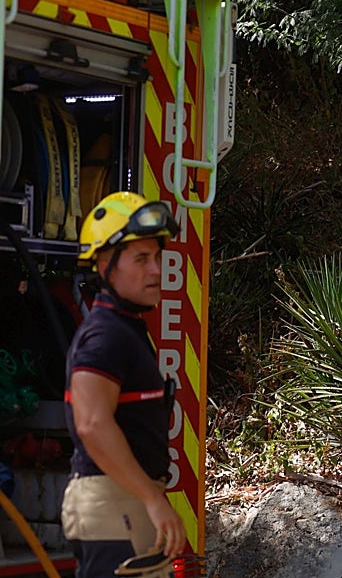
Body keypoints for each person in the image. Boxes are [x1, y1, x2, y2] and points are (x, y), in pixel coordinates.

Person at [61, 191, 186, 577]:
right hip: (114, 506)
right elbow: (92, 424)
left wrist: (150, 497)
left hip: (125, 504)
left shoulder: (126, 329)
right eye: (141, 259)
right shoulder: (105, 336)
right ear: (104, 265)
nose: (155, 270)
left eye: (157, 258)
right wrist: (151, 498)